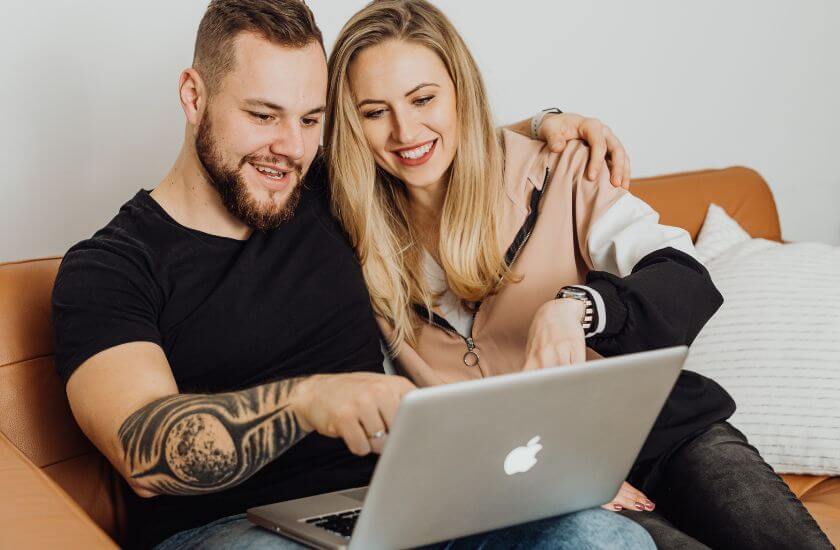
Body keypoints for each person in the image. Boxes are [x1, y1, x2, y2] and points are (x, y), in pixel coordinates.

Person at [51, 1, 652, 548]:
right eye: (263, 115)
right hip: (231, 529)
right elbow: (145, 452)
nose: (288, 147)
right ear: (193, 94)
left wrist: (546, 125)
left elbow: (420, 138)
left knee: (603, 539)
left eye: (311, 119)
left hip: (399, 506)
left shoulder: (322, 192)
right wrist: (308, 401)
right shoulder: (110, 267)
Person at [323, 1, 834, 549]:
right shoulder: (345, 232)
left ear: (460, 91)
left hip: (665, 434)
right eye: (374, 112)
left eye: (424, 98)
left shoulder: (560, 169)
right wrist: (567, 474)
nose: (405, 130)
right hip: (534, 480)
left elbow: (685, 277)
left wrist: (577, 307)